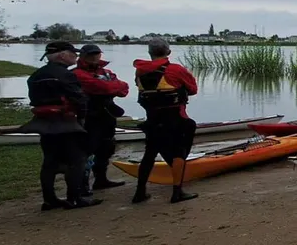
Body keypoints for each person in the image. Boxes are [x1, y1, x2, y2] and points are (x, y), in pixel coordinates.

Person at [19, 41, 101, 210]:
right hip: (65, 121)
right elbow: (79, 99)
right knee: (77, 160)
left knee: (49, 161)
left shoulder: (35, 75)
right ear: (62, 55)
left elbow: (34, 99)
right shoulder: (67, 75)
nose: (76, 56)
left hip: (44, 123)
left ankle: (49, 200)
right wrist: (82, 119)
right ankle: (75, 198)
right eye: (72, 53)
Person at [132, 38, 200, 204]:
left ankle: (140, 192)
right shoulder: (176, 70)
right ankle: (177, 192)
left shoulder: (140, 71)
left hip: (152, 120)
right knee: (179, 152)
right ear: (168, 52)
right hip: (176, 119)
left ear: (149, 53)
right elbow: (193, 89)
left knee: (149, 153)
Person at [73, 44, 129, 194]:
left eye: (97, 54)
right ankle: (83, 185)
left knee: (107, 147)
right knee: (88, 149)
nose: (94, 57)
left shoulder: (106, 72)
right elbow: (100, 87)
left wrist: (111, 86)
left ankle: (101, 179)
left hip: (107, 115)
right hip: (88, 116)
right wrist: (112, 86)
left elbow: (124, 88)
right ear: (82, 56)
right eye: (91, 55)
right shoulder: (77, 73)